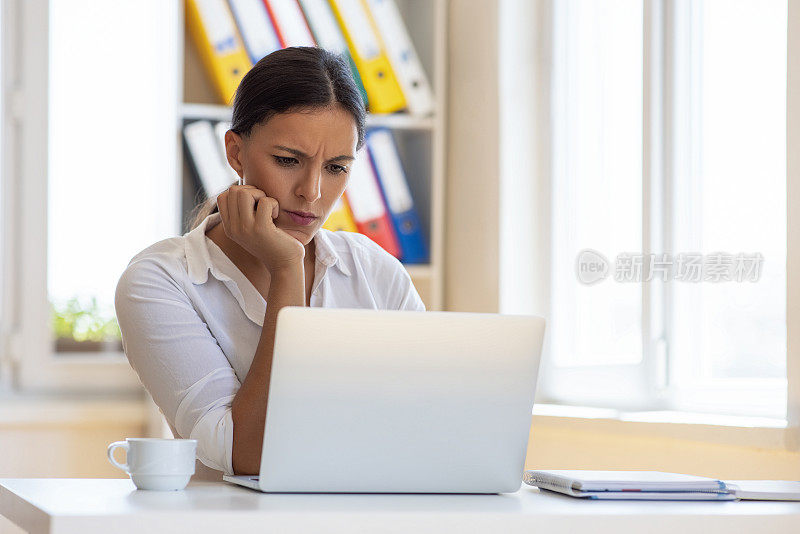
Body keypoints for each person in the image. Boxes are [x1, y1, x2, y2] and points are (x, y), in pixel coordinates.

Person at [114, 47, 426, 480]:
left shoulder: (376, 272)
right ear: (237, 152)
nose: (312, 192)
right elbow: (248, 455)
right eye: (287, 161)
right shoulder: (160, 281)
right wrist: (286, 269)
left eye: (337, 167)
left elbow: (423, 433)